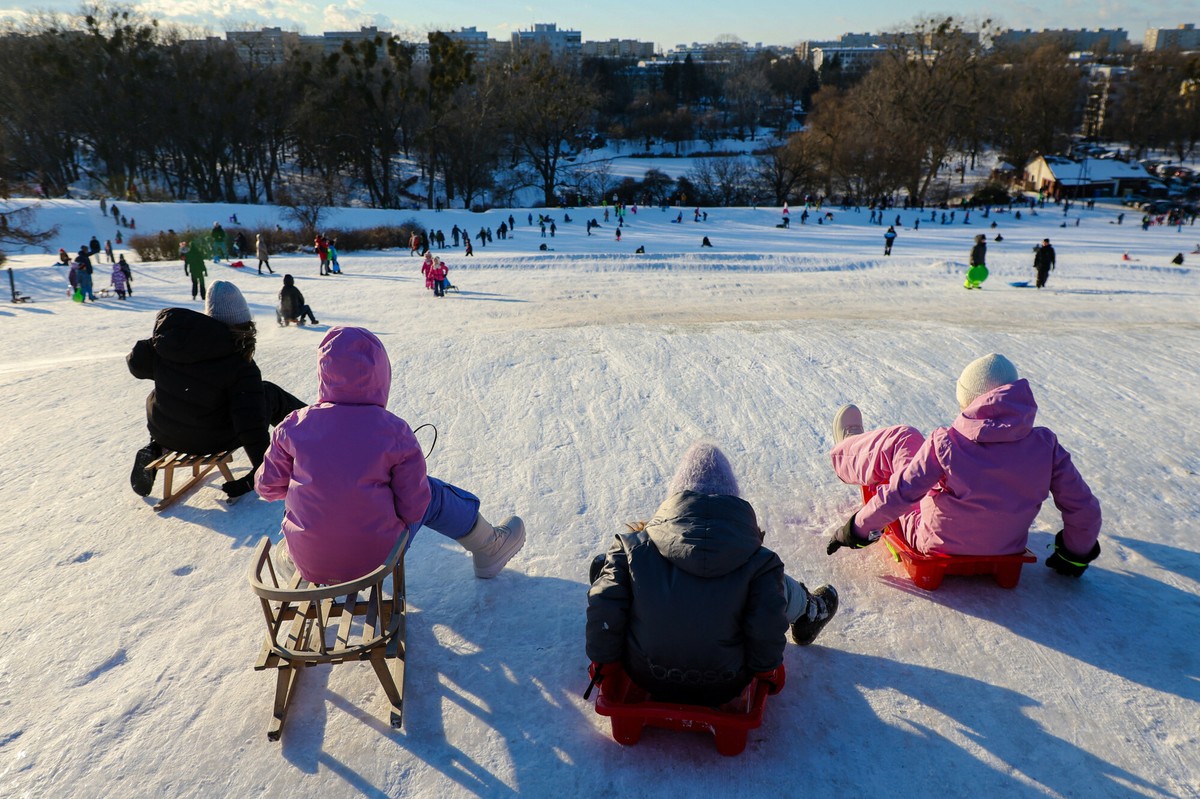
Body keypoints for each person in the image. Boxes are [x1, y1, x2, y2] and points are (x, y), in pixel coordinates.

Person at [254, 327, 526, 584]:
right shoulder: (394, 431)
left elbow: (267, 488)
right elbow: (414, 507)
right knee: (433, 493)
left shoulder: (293, 425)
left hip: (309, 559)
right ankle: (489, 545)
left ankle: (309, 559)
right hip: (377, 559)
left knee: (306, 524)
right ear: (381, 375)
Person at [586, 442, 838, 707]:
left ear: (676, 501)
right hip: (726, 683)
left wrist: (608, 665)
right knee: (775, 587)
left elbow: (604, 608)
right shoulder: (761, 563)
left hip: (645, 674)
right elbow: (766, 623)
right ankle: (809, 611)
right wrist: (766, 671)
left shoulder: (631, 549)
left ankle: (608, 572)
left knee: (616, 578)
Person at [825, 354, 1102, 576]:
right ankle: (855, 447)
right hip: (1007, 549)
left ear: (970, 400)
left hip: (934, 543)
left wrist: (857, 529)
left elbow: (901, 494)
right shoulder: (1045, 445)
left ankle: (848, 449)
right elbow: (1083, 507)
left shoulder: (947, 444)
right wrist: (1074, 555)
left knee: (904, 438)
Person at [127, 281, 306, 500]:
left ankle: (155, 448)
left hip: (166, 432)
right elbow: (250, 425)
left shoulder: (168, 343)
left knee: (168, 392)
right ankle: (315, 428)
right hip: (211, 439)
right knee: (267, 393)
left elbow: (135, 363)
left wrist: (155, 344)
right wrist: (260, 473)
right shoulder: (239, 364)